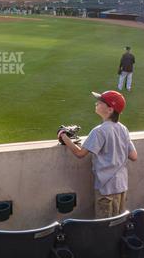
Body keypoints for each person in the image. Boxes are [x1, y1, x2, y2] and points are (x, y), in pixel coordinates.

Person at [58, 90, 137, 218]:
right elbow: (134, 156)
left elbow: (80, 153)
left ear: (110, 109)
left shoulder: (99, 131)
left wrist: (63, 135)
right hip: (121, 186)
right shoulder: (123, 129)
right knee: (118, 223)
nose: (97, 103)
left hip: (106, 189)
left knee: (105, 227)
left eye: (100, 102)